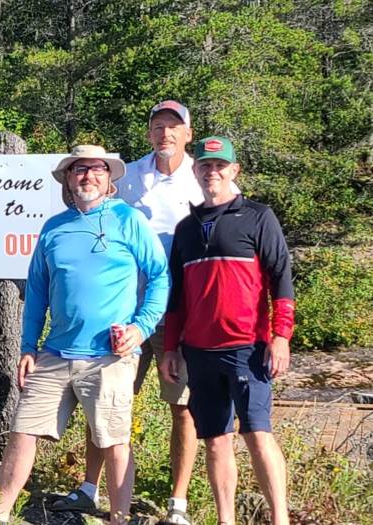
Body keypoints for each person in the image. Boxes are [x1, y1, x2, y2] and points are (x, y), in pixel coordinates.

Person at [0, 145, 170, 525]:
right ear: (67, 178)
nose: (88, 176)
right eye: (79, 169)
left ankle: (118, 518)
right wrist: (28, 347)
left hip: (109, 356)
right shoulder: (54, 227)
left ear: (110, 178)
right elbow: (36, 291)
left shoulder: (128, 220)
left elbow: (160, 277)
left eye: (97, 169)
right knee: (22, 431)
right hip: (55, 352)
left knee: (114, 441)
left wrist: (141, 326)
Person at [55, 100, 202, 524]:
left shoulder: (202, 177)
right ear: (149, 133)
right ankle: (89, 487)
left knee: (183, 406)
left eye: (173, 128)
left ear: (187, 134)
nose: (165, 135)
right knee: (105, 400)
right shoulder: (130, 176)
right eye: (158, 127)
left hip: (181, 310)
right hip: (123, 308)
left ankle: (178, 503)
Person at [160, 136, 294, 525]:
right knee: (216, 441)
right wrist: (171, 347)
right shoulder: (185, 228)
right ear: (195, 171)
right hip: (199, 351)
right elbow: (177, 297)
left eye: (220, 166)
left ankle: (280, 518)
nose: (211, 172)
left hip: (247, 347)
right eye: (205, 166)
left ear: (234, 171)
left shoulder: (258, 216)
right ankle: (225, 520)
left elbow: (281, 278)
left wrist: (281, 336)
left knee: (257, 434)